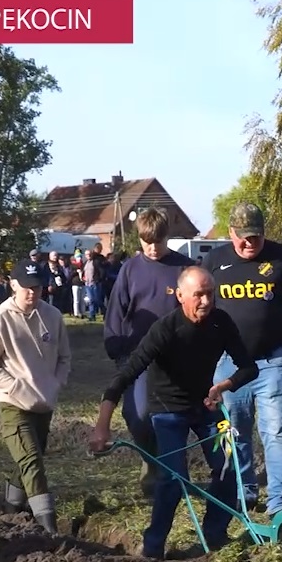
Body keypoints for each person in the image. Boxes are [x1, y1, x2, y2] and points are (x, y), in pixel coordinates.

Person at [89, 267, 259, 559]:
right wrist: (102, 426)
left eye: (210, 294)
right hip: (168, 410)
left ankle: (215, 536)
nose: (206, 301)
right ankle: (153, 547)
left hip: (205, 406)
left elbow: (249, 367)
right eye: (198, 295)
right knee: (174, 478)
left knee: (230, 466)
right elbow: (124, 377)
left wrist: (222, 387)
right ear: (181, 296)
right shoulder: (165, 329)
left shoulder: (221, 323)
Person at [202, 202, 282, 516]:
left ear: (264, 233)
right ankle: (244, 492)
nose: (248, 243)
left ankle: (279, 504)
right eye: (242, 237)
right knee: (233, 431)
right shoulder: (214, 262)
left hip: (274, 362)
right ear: (230, 233)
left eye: (255, 237)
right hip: (229, 365)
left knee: (279, 432)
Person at [103, 209, 195, 491]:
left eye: (159, 241)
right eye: (147, 242)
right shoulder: (130, 269)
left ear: (168, 237)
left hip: (176, 356)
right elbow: (115, 311)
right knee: (138, 414)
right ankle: (151, 461)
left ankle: (175, 475)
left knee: (175, 417)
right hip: (138, 356)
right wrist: (116, 346)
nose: (153, 248)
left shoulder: (184, 269)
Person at [0, 258, 72, 534]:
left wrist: (56, 383)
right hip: (12, 402)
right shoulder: (1, 318)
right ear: (13, 286)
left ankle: (12, 508)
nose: (32, 293)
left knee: (30, 458)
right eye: (27, 288)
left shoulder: (53, 317)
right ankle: (49, 528)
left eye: (38, 288)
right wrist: (15, 386)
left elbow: (65, 357)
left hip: (43, 401)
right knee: (31, 460)